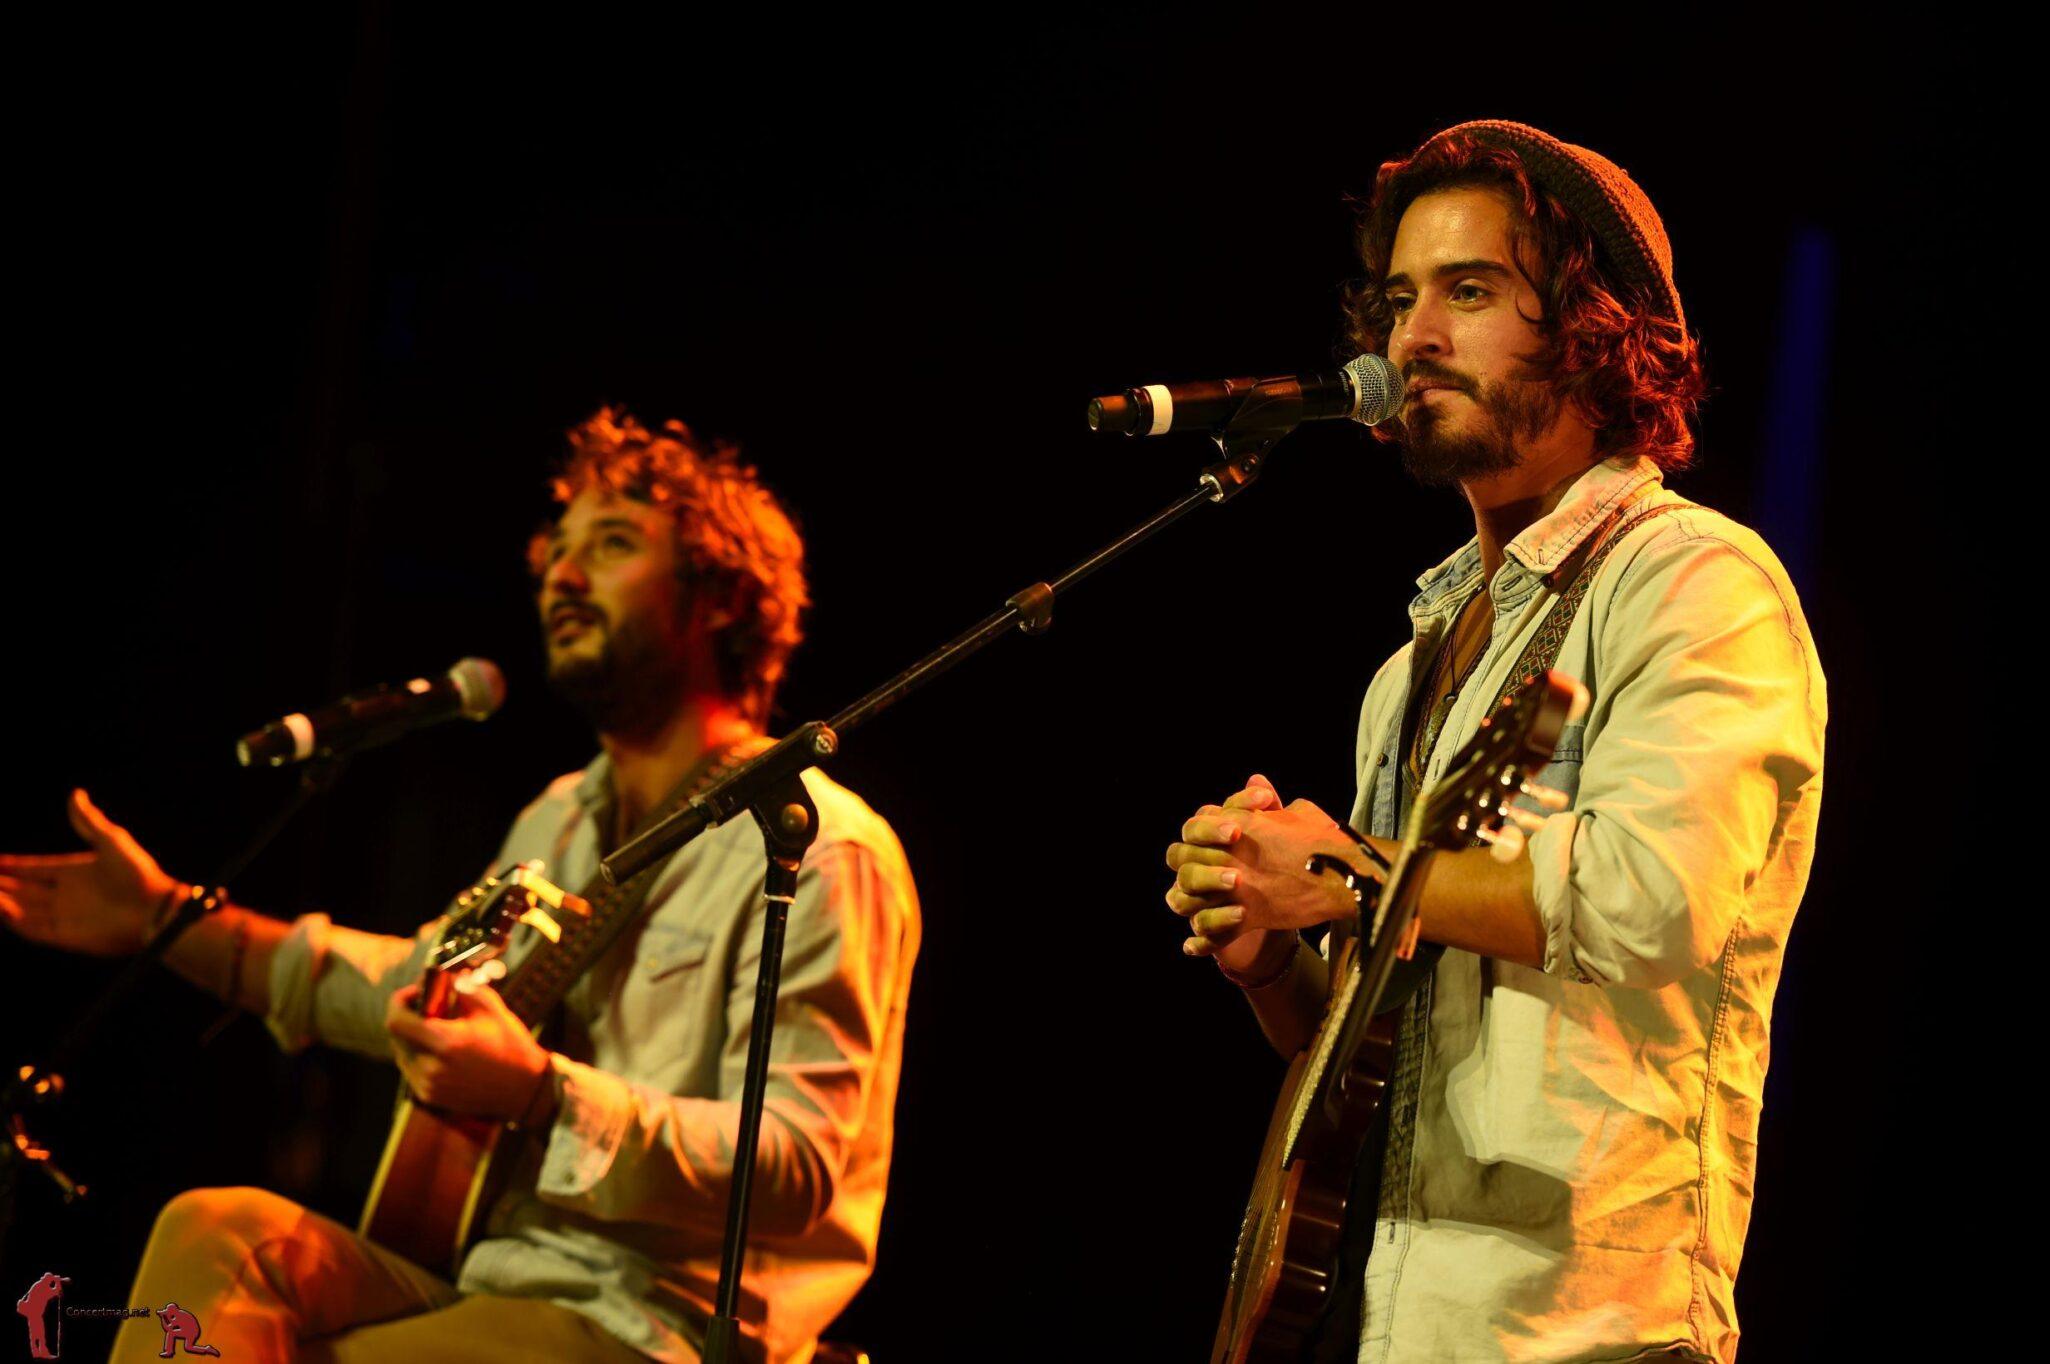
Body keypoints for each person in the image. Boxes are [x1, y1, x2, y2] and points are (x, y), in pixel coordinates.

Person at [0, 408, 921, 1363]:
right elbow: (405, 985)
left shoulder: (821, 847)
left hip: (651, 1320)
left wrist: (544, 1096)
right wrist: (163, 917)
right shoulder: (559, 819)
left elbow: (797, 1166)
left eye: (612, 544)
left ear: (723, 597)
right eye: (557, 550)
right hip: (488, 1279)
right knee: (214, 1231)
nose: (563, 575)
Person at [1163, 122, 1826, 1363]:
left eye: (1467, 291)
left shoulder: (1692, 582)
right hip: (1385, 1321)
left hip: (1586, 1328)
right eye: (1398, 299)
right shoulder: (1409, 667)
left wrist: (1346, 867)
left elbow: (1650, 897)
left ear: (1592, 324)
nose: (1411, 337)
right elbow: (1357, 1040)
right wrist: (1269, 946)